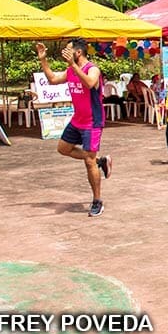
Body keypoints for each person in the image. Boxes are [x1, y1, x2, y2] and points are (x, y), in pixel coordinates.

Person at [36, 39, 112, 217]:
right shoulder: (70, 70)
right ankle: (100, 161)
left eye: (68, 50)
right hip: (77, 120)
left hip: (92, 122)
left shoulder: (92, 69)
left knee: (88, 162)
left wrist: (73, 66)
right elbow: (53, 79)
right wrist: (43, 59)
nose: (65, 52)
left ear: (78, 53)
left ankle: (97, 201)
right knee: (63, 148)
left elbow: (90, 83)